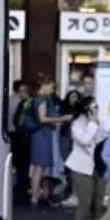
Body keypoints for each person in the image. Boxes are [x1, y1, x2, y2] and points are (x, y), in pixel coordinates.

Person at [65, 97, 106, 220]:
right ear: (87, 109)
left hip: (99, 167)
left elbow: (103, 138)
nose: (97, 109)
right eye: (94, 106)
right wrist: (92, 123)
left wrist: (97, 123)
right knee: (85, 202)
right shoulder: (77, 124)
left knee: (99, 202)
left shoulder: (98, 121)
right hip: (81, 167)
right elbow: (85, 140)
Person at [28, 76, 69, 209]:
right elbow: (42, 119)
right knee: (39, 168)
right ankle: (35, 197)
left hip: (38, 135)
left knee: (38, 167)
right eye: (51, 87)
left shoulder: (35, 98)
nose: (52, 90)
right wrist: (61, 118)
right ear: (44, 86)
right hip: (42, 135)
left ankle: (39, 195)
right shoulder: (41, 100)